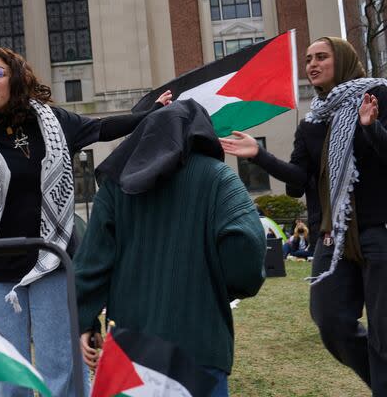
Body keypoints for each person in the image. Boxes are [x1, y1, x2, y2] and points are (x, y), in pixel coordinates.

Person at [0, 47, 172, 396]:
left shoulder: (53, 122)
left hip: (51, 260)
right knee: (7, 372)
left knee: (61, 365)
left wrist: (152, 113)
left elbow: (102, 128)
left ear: (15, 78)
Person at [220, 36, 387, 394]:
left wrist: (371, 127)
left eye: (322, 57)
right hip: (333, 235)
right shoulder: (311, 124)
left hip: (377, 229)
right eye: (309, 58)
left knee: (384, 334)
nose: (312, 64)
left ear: (341, 60)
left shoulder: (378, 96)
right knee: (331, 321)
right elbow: (298, 182)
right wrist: (258, 155)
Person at [75, 100, 266, 396]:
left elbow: (91, 262)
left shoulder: (116, 186)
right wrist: (218, 285)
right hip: (200, 342)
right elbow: (247, 254)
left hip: (130, 346)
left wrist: (84, 320)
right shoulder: (220, 179)